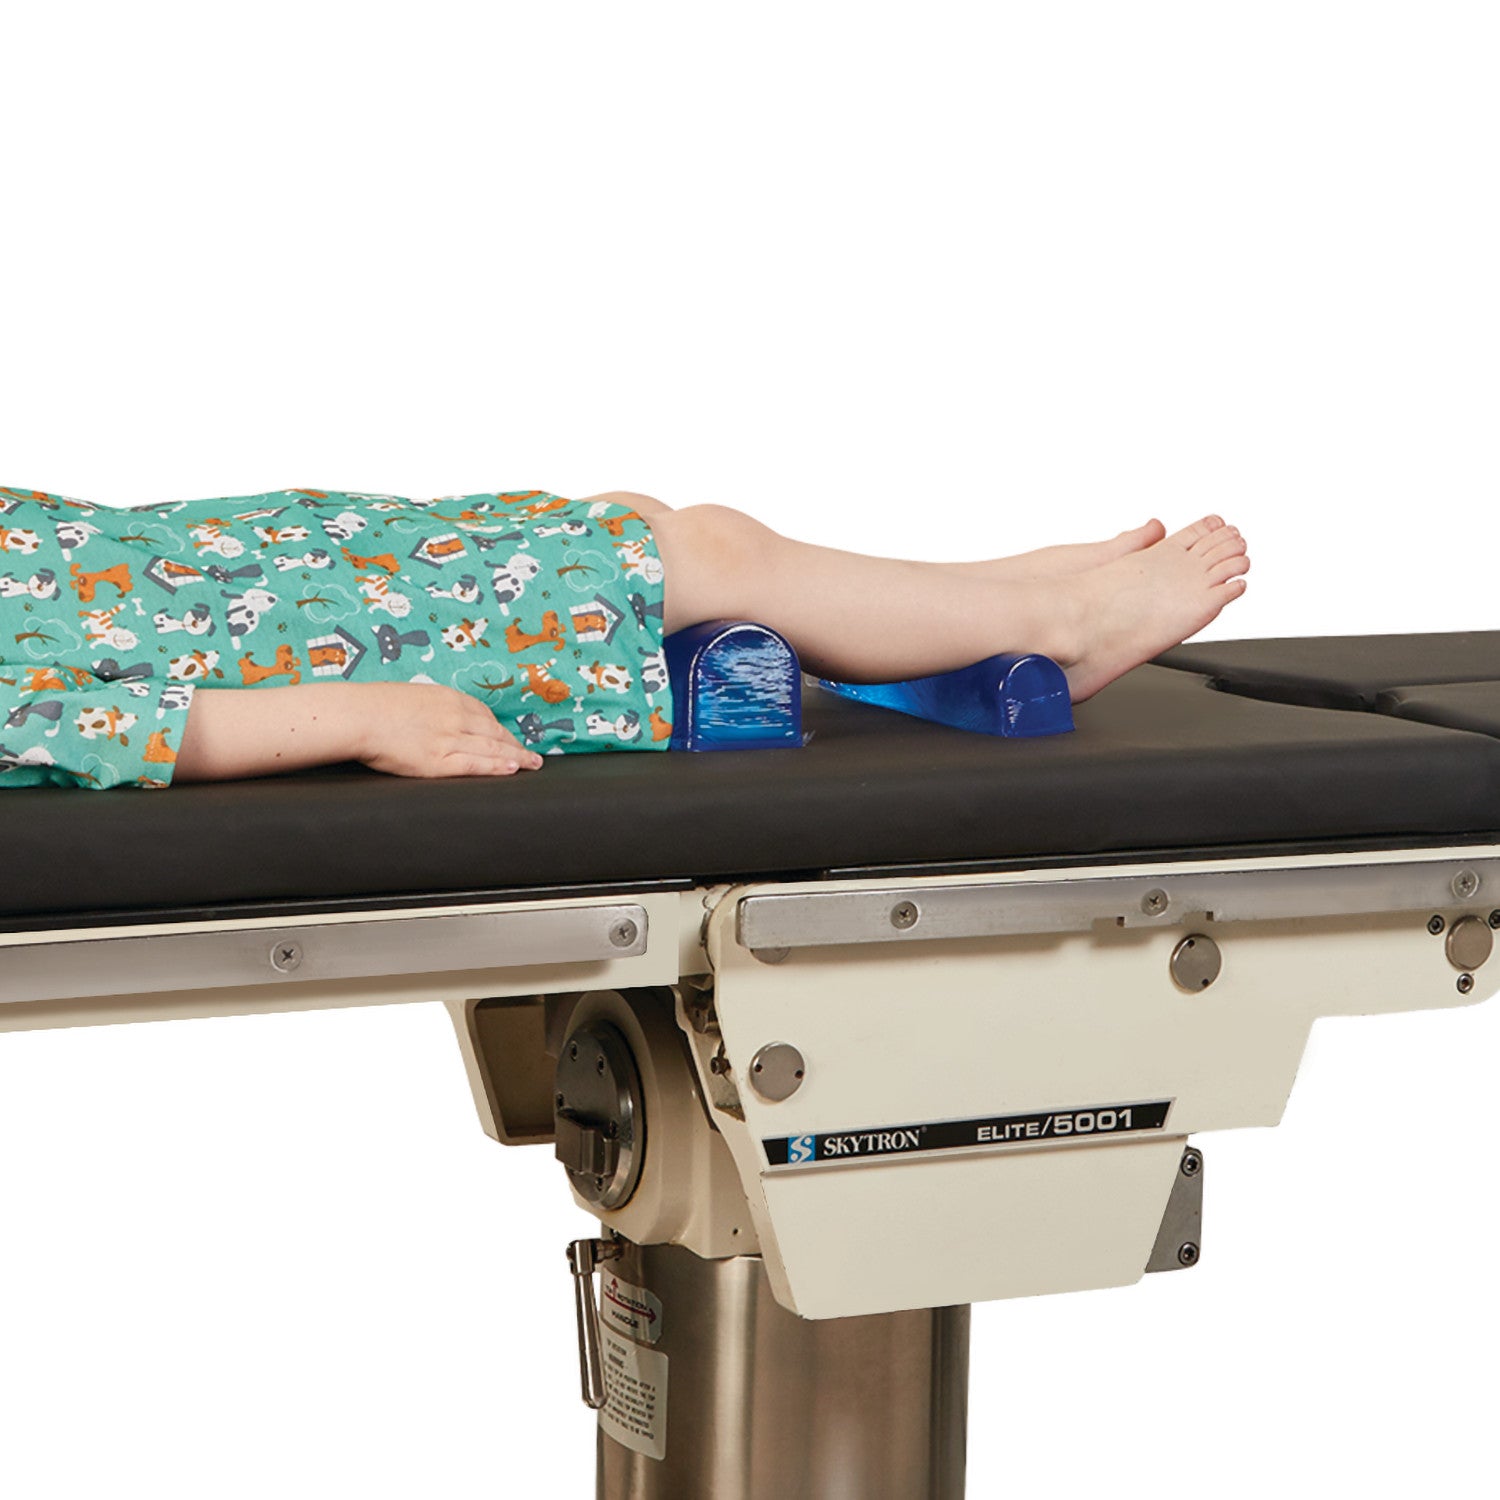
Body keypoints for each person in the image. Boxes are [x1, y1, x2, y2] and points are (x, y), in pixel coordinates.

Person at [0, 485, 1249, 789]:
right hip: (366, 642)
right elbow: (121, 726)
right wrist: (378, 715)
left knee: (651, 523)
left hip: (292, 564)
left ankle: (975, 599)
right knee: (698, 554)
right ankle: (1055, 625)